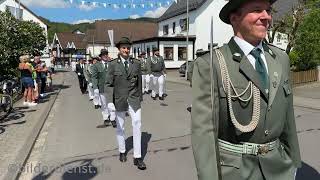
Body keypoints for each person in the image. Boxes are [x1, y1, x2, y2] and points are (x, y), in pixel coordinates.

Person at [191, 0, 301, 180]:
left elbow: (288, 118)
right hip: (236, 171)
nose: (266, 16)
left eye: (267, 10)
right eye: (257, 10)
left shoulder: (281, 59)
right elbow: (204, 133)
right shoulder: (212, 64)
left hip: (279, 168)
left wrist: (294, 162)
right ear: (235, 18)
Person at [105, 37, 146, 170]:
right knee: (120, 127)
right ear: (119, 49)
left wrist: (139, 97)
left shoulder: (136, 63)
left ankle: (137, 157)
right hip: (119, 100)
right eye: (123, 47)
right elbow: (108, 84)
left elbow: (139, 82)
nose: (126, 50)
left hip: (133, 99)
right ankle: (122, 151)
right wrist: (110, 101)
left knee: (137, 124)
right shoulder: (112, 64)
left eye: (128, 48)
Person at [91, 50, 116, 128]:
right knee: (104, 105)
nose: (105, 56)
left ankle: (113, 119)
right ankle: (106, 118)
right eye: (103, 55)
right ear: (101, 56)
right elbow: (94, 77)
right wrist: (95, 87)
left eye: (106, 54)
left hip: (111, 87)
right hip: (102, 88)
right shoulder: (96, 65)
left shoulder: (112, 64)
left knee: (111, 104)